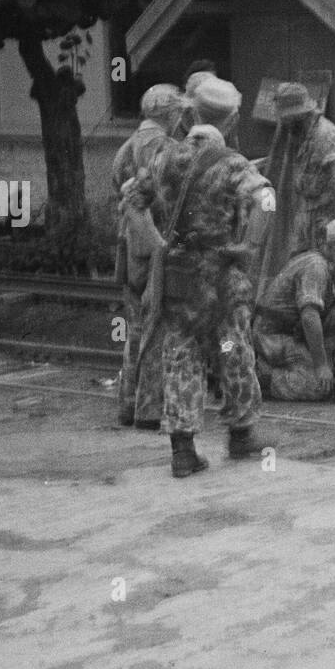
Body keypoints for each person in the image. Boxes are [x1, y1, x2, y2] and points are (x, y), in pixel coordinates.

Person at [151, 80, 273, 477]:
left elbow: (134, 201)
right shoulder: (232, 162)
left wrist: (158, 243)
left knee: (181, 353)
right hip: (220, 274)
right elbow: (266, 199)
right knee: (230, 347)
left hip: (180, 275)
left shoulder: (164, 158)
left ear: (190, 114)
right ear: (233, 117)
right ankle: (241, 434)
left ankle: (183, 448)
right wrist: (250, 245)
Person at [110, 84, 186, 429]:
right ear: (171, 114)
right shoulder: (168, 149)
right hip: (156, 246)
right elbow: (169, 199)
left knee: (135, 328)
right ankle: (149, 409)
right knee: (158, 327)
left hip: (129, 246)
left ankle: (127, 403)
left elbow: (117, 184)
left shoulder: (127, 147)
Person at [252, 217, 335, 401]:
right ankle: (259, 377)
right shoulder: (316, 266)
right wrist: (321, 365)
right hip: (274, 336)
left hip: (297, 336)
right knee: (319, 385)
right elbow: (309, 317)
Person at [256, 82, 335, 301]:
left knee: (321, 273)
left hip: (323, 217)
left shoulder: (325, 135)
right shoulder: (301, 133)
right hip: (305, 215)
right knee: (300, 269)